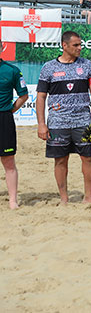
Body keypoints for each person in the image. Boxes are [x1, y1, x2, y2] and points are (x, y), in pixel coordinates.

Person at [36, 31, 91, 205]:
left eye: (81, 44)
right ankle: (64, 197)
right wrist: (41, 124)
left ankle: (88, 196)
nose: (80, 48)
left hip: (83, 121)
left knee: (88, 158)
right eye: (76, 45)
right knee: (60, 160)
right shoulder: (48, 67)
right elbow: (41, 97)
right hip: (58, 122)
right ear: (64, 46)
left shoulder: (88, 66)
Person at [0, 58, 29, 209]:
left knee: (8, 161)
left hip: (4, 117)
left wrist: (9, 111)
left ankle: (13, 200)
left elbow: (24, 95)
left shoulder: (12, 70)